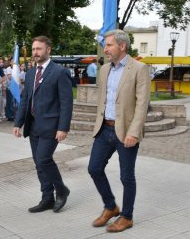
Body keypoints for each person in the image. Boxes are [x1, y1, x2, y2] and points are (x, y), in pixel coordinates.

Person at [88, 29, 150, 233]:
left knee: (126, 177)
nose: (105, 49)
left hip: (126, 132)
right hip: (104, 129)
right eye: (105, 45)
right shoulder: (104, 70)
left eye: (109, 45)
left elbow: (142, 104)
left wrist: (133, 132)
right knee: (94, 169)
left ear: (122, 46)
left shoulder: (139, 69)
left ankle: (127, 217)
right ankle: (110, 206)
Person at [13, 36, 73, 213]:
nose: (35, 52)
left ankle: (61, 190)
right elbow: (25, 99)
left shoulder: (59, 72)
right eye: (33, 49)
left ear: (48, 50)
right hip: (33, 126)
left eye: (39, 49)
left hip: (51, 126)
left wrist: (63, 127)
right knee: (38, 163)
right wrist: (18, 123)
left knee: (43, 159)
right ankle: (47, 198)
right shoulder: (31, 72)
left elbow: (66, 102)